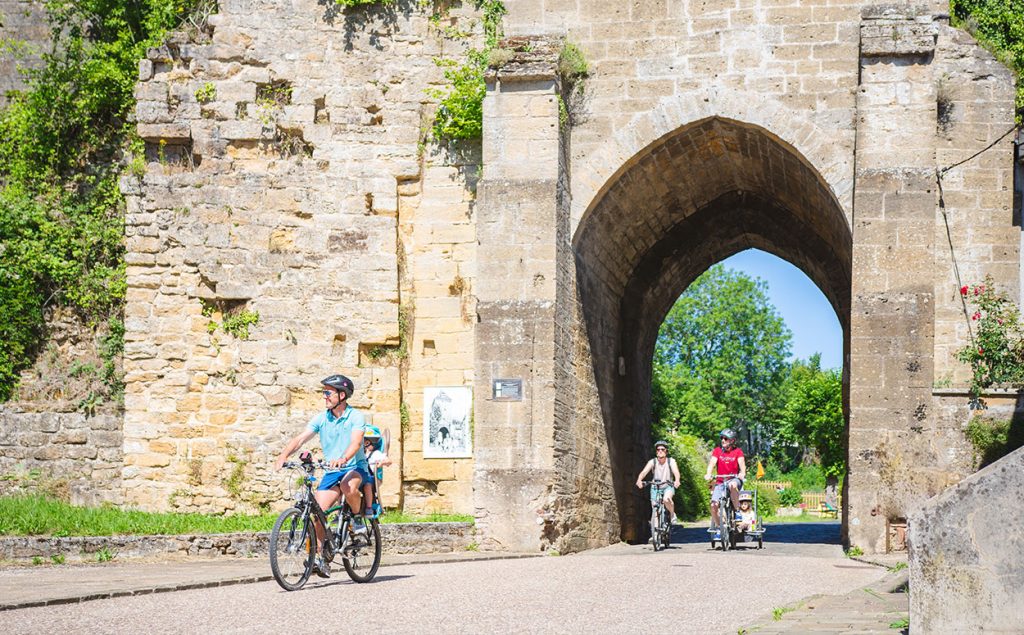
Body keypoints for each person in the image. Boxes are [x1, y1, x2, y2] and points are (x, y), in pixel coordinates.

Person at [274, 373, 372, 578]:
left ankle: (357, 519)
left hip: (354, 467)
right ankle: (320, 557)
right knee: (318, 512)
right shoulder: (321, 418)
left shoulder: (355, 417)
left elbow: (355, 443)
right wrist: (283, 455)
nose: (324, 396)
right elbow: (301, 439)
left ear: (342, 395)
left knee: (348, 487)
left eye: (328, 393)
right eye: (324, 392)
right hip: (332, 471)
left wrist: (344, 459)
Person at [704, 427, 746, 537]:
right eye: (722, 438)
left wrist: (742, 473)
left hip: (734, 479)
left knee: (732, 485)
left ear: (732, 441)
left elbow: (742, 466)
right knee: (713, 505)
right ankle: (719, 528)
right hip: (720, 481)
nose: (722, 440)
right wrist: (708, 473)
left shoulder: (738, 452)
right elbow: (712, 464)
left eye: (725, 438)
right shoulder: (717, 451)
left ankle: (737, 512)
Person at [635, 440, 682, 523]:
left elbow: (676, 472)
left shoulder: (671, 461)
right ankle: (656, 534)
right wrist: (639, 480)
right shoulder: (652, 462)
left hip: (668, 485)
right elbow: (644, 472)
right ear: (656, 452)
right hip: (655, 486)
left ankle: (672, 514)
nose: (660, 451)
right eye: (658, 449)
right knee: (655, 509)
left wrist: (677, 480)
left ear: (666, 451)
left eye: (662, 449)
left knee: (666, 499)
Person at [361, 425, 392, 518]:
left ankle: (369, 508)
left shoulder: (376, 454)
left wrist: (381, 463)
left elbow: (389, 461)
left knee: (367, 485)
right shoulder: (361, 454)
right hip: (361, 477)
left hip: (372, 478)